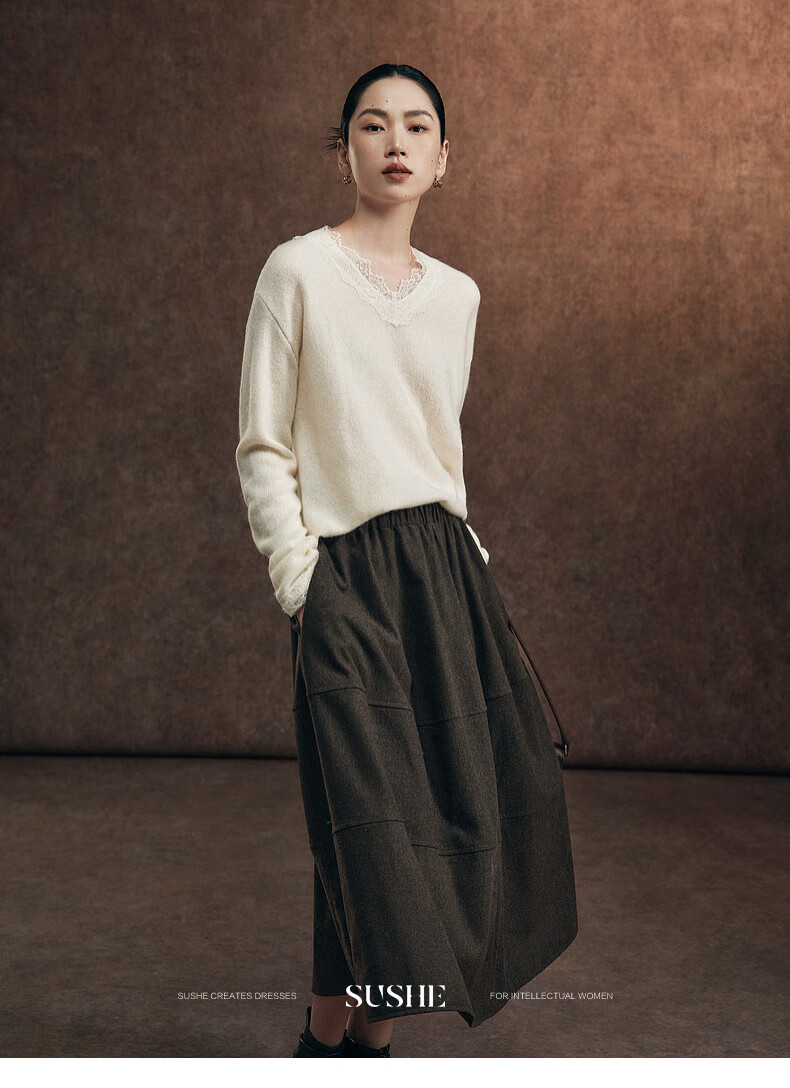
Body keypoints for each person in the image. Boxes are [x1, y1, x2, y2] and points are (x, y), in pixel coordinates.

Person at [235, 62, 578, 1059]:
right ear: (341, 151)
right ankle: (360, 1040)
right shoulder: (295, 272)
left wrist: (474, 570)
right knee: (368, 809)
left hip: (445, 572)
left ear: (443, 157)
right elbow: (263, 445)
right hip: (344, 571)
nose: (395, 141)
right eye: (373, 124)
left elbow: (437, 449)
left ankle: (338, 1033)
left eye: (417, 125)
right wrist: (302, 582)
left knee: (433, 802)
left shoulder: (457, 296)